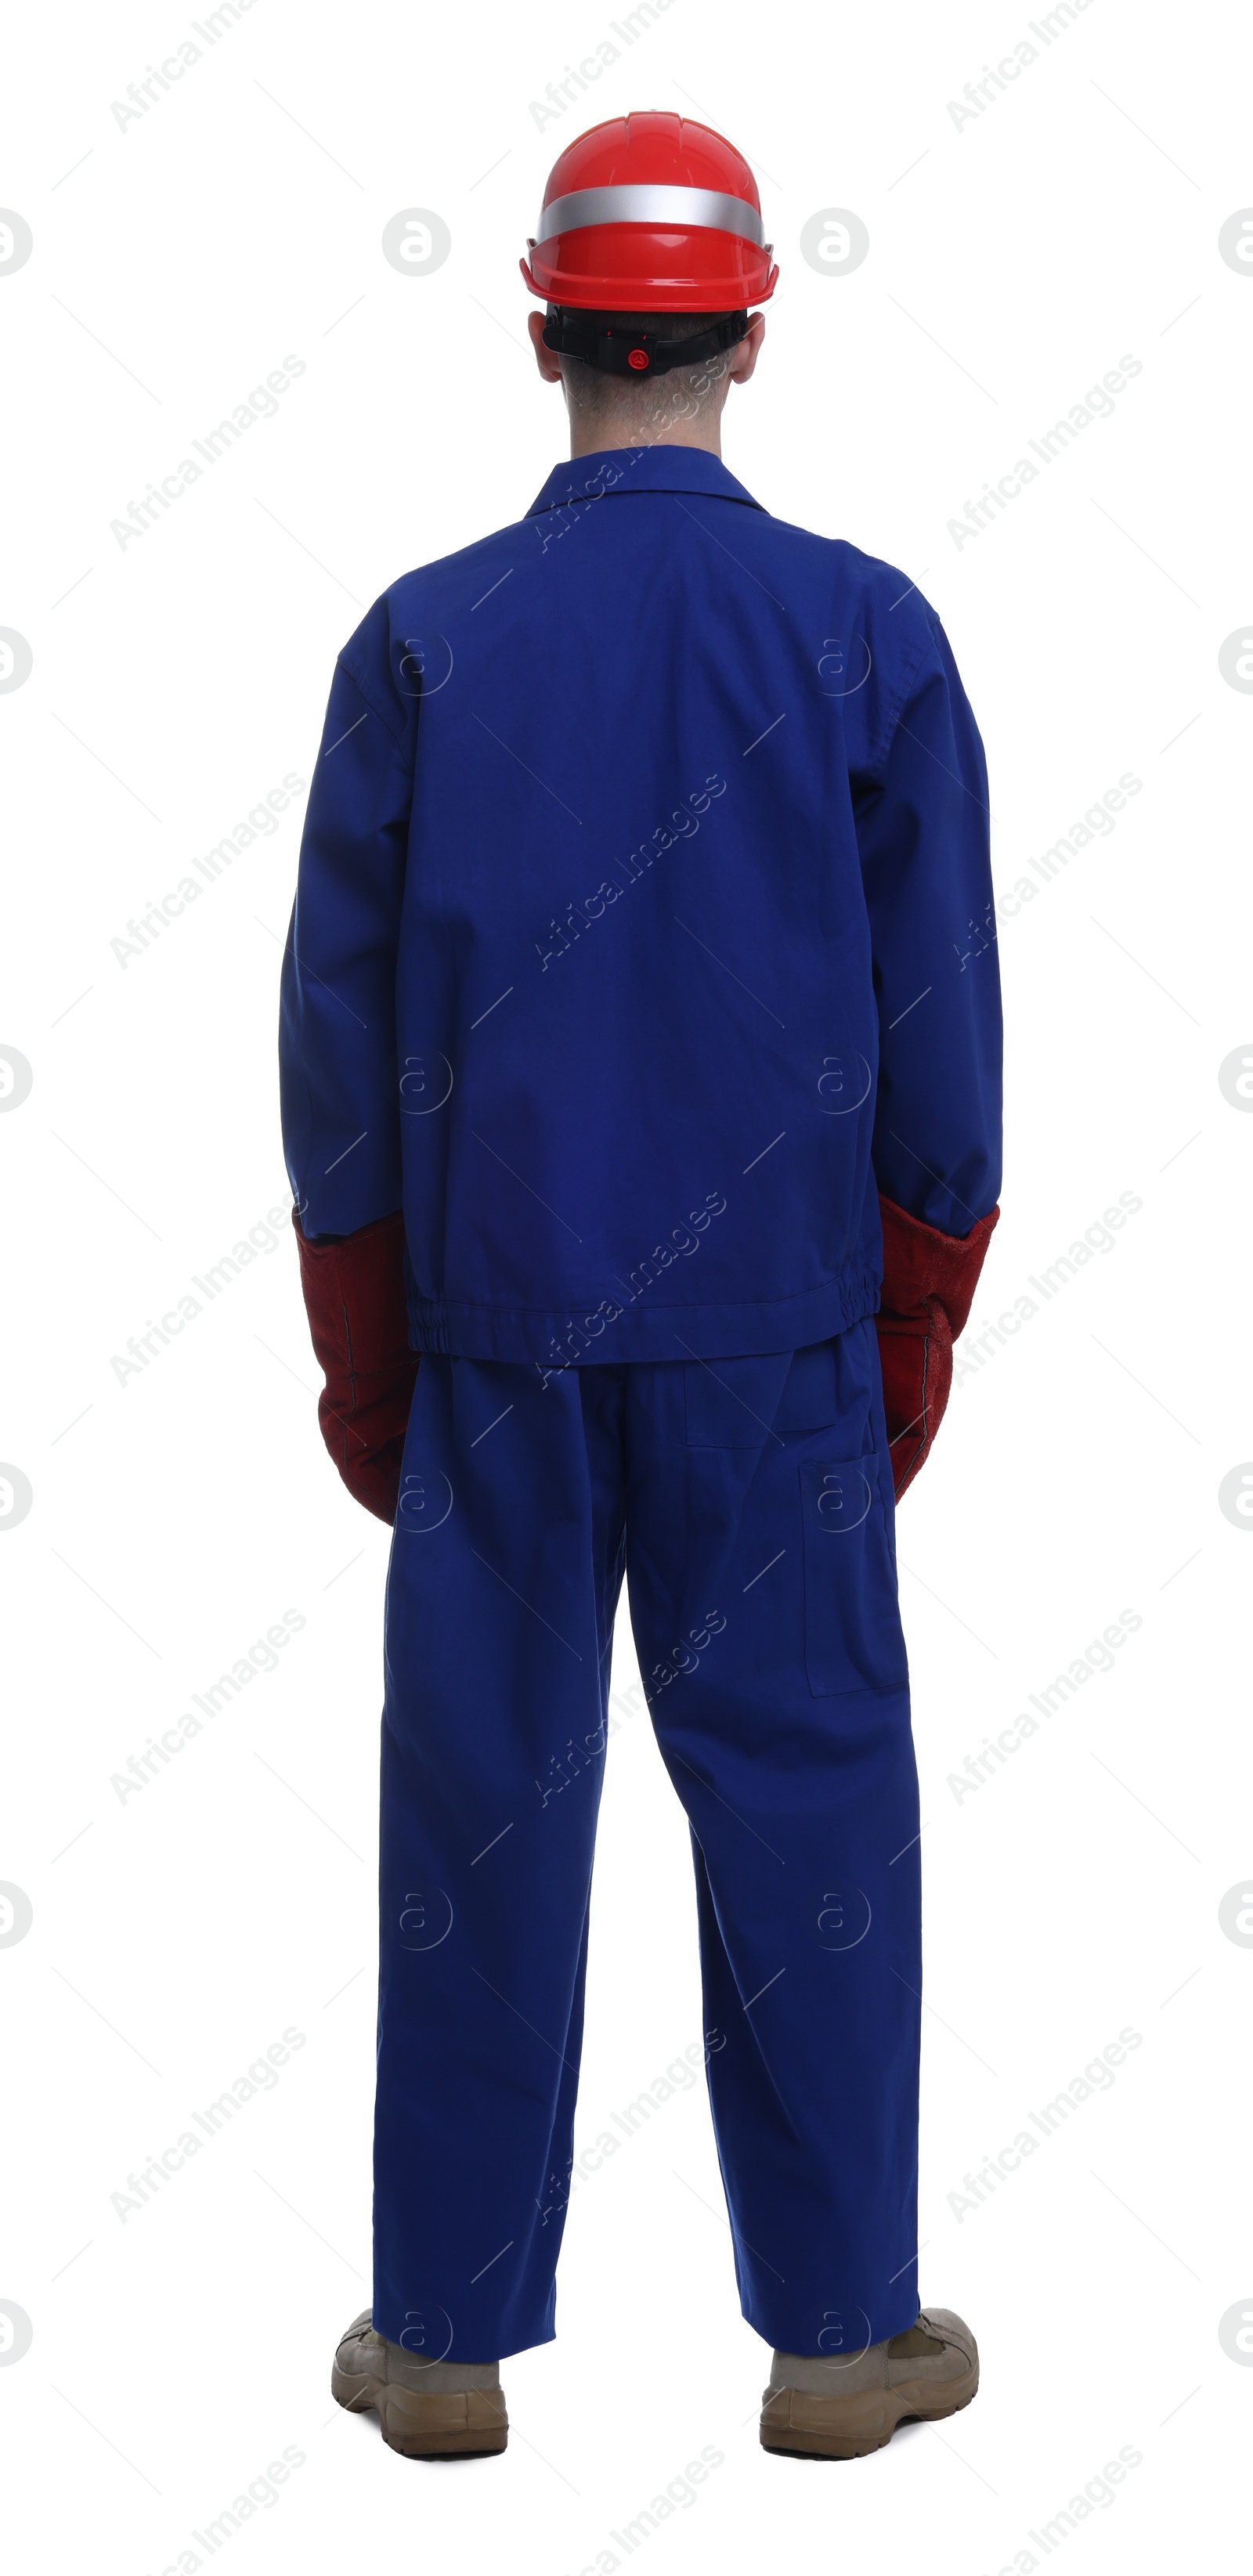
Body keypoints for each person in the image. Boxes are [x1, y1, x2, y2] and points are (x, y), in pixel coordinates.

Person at [280, 110, 1000, 2465]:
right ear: (755, 330)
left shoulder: (421, 637)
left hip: (494, 1335)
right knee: (805, 1808)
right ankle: (838, 2331)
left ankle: (447, 2337)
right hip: (777, 1344)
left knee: (481, 1811)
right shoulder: (871, 632)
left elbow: (337, 1047)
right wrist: (910, 1321)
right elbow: (945, 1042)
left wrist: (365, 1356)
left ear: (539, 326)